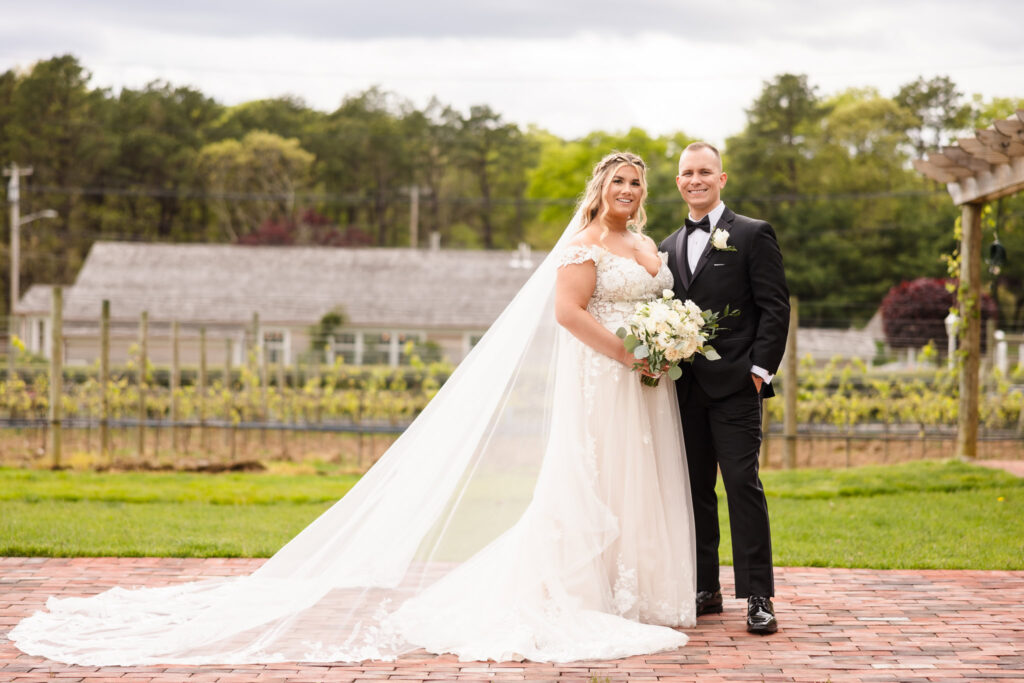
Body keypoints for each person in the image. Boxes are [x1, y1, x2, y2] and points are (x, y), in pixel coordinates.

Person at [10, 151, 696, 666]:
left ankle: (638, 589)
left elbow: (661, 301)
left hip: (645, 383)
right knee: (589, 478)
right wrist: (628, 353)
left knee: (642, 480)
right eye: (617, 181)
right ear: (600, 190)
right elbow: (567, 314)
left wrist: (666, 345)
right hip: (601, 375)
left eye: (636, 182)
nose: (627, 191)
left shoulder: (646, 245)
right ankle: (585, 591)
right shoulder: (583, 247)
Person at [659, 142, 790, 635]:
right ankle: (704, 588)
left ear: (722, 178)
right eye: (687, 173)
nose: (696, 179)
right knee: (694, 492)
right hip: (681, 390)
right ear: (678, 183)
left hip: (737, 386)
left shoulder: (753, 234)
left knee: (742, 486)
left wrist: (760, 372)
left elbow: (775, 307)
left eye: (705, 172)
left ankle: (759, 596)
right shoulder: (666, 247)